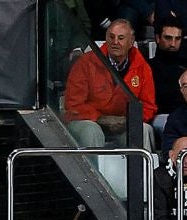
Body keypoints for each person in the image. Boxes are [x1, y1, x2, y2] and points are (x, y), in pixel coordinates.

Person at [65, 20, 156, 151]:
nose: (115, 42)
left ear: (131, 41)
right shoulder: (86, 62)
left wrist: (127, 120)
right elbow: (73, 105)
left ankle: (141, 171)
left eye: (121, 38)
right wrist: (100, 118)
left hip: (123, 124)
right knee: (91, 131)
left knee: (142, 130)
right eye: (111, 37)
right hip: (88, 121)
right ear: (106, 39)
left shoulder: (143, 68)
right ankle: (91, 172)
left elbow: (148, 106)